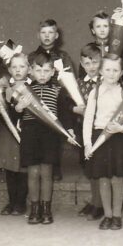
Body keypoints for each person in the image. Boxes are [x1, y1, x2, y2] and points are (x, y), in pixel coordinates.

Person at [15, 52, 75, 225]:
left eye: (46, 71)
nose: (42, 74)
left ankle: (46, 208)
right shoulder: (24, 90)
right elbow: (14, 114)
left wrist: (70, 130)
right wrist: (19, 106)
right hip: (30, 134)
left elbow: (64, 114)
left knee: (47, 173)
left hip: (50, 136)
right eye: (38, 70)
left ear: (52, 73)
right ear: (31, 71)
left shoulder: (58, 90)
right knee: (33, 173)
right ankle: (35, 209)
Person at [83, 54, 123, 231]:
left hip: (119, 139)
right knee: (103, 178)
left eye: (115, 70)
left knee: (117, 178)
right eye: (107, 69)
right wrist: (87, 144)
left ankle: (117, 216)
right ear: (101, 71)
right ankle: (107, 215)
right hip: (100, 139)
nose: (111, 74)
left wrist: (121, 129)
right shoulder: (95, 93)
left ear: (121, 72)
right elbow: (88, 120)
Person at [28, 19, 75, 182]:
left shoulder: (63, 56)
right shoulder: (32, 56)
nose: (47, 36)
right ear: (38, 35)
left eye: (50, 32)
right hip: (36, 98)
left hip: (56, 97)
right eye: (43, 32)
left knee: (54, 134)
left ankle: (54, 166)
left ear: (56, 35)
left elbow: (70, 81)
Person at [0, 53, 29, 216]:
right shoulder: (4, 89)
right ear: (9, 69)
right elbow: (2, 114)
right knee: (10, 168)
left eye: (22, 66)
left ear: (28, 68)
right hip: (7, 133)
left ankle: (20, 202)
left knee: (22, 168)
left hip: (25, 131)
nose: (18, 70)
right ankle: (11, 201)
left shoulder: (31, 87)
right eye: (14, 67)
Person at [74, 43, 104, 221]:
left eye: (95, 62)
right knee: (88, 168)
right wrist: (75, 109)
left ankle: (99, 205)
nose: (91, 67)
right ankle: (95, 201)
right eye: (87, 63)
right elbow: (69, 104)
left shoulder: (105, 82)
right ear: (81, 63)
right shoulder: (78, 84)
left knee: (98, 168)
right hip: (83, 131)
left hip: (99, 130)